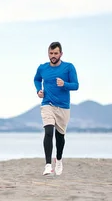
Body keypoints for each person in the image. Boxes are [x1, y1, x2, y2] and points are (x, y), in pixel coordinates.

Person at [33, 42, 79, 176]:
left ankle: (58, 160)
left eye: (55, 53)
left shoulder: (68, 67)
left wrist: (65, 84)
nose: (53, 56)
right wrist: (38, 90)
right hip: (47, 104)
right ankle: (48, 165)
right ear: (48, 53)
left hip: (63, 107)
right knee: (48, 132)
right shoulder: (42, 68)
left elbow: (76, 85)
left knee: (60, 137)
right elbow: (36, 79)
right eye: (51, 53)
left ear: (61, 54)